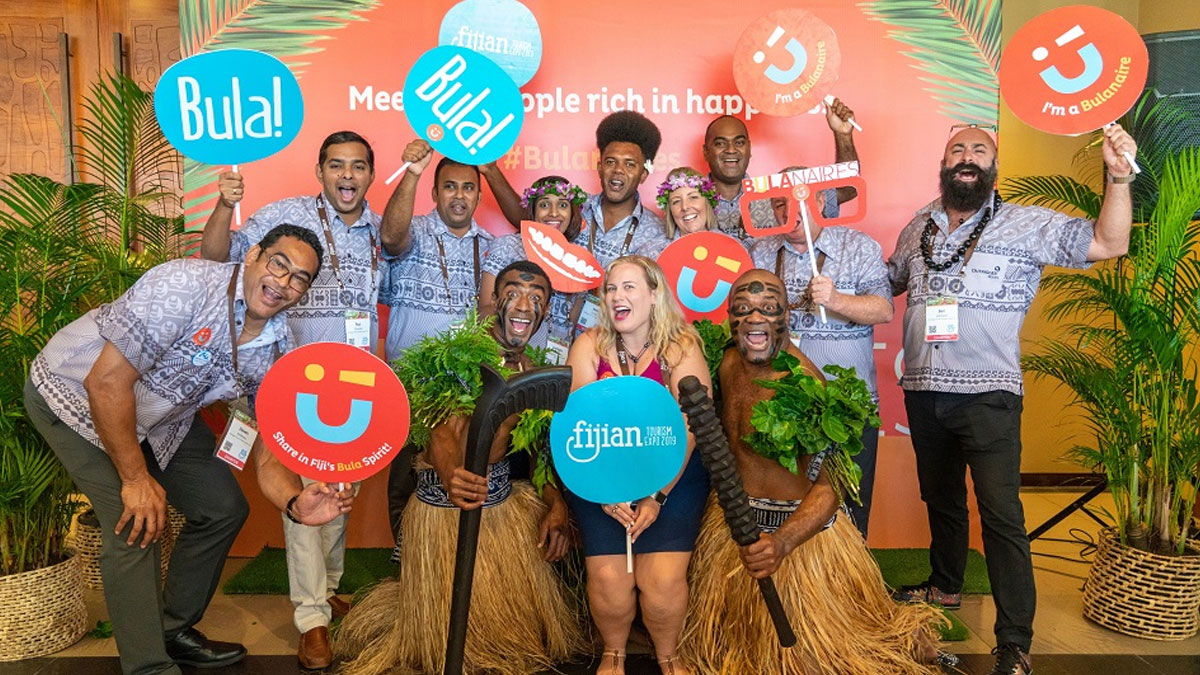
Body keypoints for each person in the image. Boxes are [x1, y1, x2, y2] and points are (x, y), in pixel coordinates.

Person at [24, 225, 353, 675]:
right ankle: (148, 666)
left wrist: (295, 503)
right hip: (76, 398)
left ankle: (171, 629)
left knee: (221, 508)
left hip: (161, 416)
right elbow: (106, 382)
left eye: (299, 278)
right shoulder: (184, 285)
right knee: (136, 523)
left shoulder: (278, 348)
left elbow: (267, 452)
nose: (283, 282)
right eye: (279, 264)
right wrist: (136, 479)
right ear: (254, 255)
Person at [887, 123, 1138, 675]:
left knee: (1001, 515)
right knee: (941, 499)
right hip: (924, 390)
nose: (967, 157)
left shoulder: (1027, 223)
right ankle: (945, 585)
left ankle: (1015, 641)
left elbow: (1109, 243)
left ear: (993, 165)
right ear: (944, 163)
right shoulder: (918, 226)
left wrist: (1118, 178)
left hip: (989, 395)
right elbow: (890, 283)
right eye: (957, 149)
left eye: (979, 149)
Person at [680, 269, 943, 675]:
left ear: (787, 316)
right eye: (743, 309)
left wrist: (782, 543)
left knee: (825, 654)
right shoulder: (727, 362)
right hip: (733, 526)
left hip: (797, 543)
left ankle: (894, 633)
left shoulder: (805, 386)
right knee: (731, 648)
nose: (754, 318)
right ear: (729, 317)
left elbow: (830, 487)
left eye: (769, 309)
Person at [335, 260, 584, 675]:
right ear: (494, 300)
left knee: (505, 640)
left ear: (545, 311)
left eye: (536, 297)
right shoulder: (456, 357)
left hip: (501, 507)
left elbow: (539, 449)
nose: (525, 304)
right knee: (449, 640)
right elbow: (440, 430)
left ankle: (495, 636)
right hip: (447, 511)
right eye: (514, 293)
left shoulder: (536, 368)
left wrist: (555, 503)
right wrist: (453, 474)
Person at [201, 130, 381, 668]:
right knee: (306, 493)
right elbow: (215, 258)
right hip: (289, 381)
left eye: (358, 166)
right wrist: (223, 204)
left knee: (339, 493)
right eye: (336, 165)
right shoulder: (283, 217)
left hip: (353, 388)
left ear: (371, 175)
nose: (347, 175)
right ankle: (312, 619)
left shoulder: (381, 230)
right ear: (319, 171)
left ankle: (328, 589)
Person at [564, 255, 711, 675]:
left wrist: (656, 496)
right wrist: (606, 494)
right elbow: (577, 421)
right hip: (602, 478)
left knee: (660, 583)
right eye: (611, 289)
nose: (617, 296)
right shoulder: (589, 345)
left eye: (629, 287)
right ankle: (614, 652)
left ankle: (669, 654)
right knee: (610, 582)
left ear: (654, 294)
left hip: (672, 479)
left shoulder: (681, 347)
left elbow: (691, 425)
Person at [748, 176, 893, 538]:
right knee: (788, 508)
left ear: (820, 202)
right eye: (779, 203)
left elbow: (884, 309)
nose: (788, 211)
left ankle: (852, 572)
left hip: (847, 404)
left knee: (848, 505)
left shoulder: (858, 246)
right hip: (783, 405)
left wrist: (836, 300)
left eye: (798, 201)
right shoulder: (761, 252)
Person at [703, 98, 858, 240]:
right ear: (706, 152)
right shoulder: (692, 200)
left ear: (749, 149)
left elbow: (848, 189)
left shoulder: (779, 192)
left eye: (739, 143)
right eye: (720, 144)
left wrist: (843, 135)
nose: (731, 150)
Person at [478, 174, 589, 352]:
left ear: (572, 212)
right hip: (511, 354)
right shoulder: (507, 246)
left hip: (558, 358)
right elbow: (485, 310)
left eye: (562, 205)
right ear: (533, 210)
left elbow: (573, 324)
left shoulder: (578, 259)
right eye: (544, 205)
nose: (554, 213)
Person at [657, 167, 719, 241]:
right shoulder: (655, 248)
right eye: (676, 201)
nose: (684, 207)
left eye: (693, 197)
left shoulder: (729, 244)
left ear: (707, 202)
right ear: (670, 210)